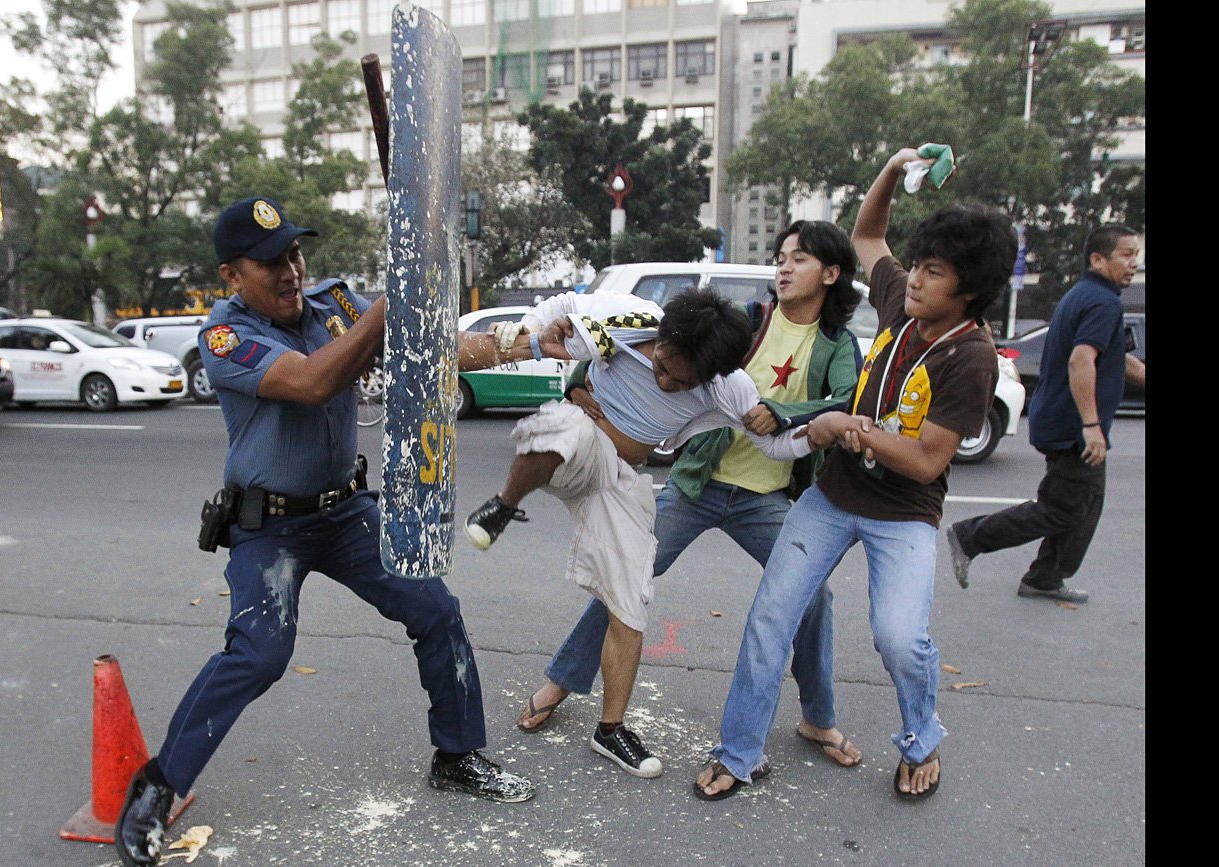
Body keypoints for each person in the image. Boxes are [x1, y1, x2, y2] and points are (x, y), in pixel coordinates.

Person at [115, 196, 542, 867]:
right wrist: (385, 310)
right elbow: (313, 381)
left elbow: (439, 350)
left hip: (345, 513)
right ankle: (157, 786)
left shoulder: (334, 304)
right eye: (270, 262)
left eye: (294, 253)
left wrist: (533, 341)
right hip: (269, 526)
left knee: (435, 608)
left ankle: (457, 755)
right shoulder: (224, 338)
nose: (291, 270)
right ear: (231, 276)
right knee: (259, 652)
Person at [692, 145, 1015, 802]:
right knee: (771, 616)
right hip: (833, 496)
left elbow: (927, 459)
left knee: (899, 638)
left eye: (934, 272)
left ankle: (921, 739)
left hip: (904, 513)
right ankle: (739, 750)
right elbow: (868, 234)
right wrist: (893, 171)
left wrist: (850, 427)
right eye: (917, 265)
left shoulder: (973, 357)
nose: (914, 280)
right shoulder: (902, 303)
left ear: (970, 290)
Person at [514, 221, 867, 773]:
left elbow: (845, 402)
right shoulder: (747, 321)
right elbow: (631, 343)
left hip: (765, 495)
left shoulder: (837, 345)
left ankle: (817, 717)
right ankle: (562, 681)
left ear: (831, 273)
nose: (784, 267)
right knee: (625, 577)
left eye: (798, 259)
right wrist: (580, 378)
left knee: (813, 595)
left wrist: (782, 413)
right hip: (699, 480)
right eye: (780, 257)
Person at [464, 287, 830, 779]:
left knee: (630, 600)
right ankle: (504, 505)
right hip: (579, 447)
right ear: (661, 338)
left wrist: (812, 431)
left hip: (620, 480)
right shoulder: (627, 317)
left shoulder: (730, 388)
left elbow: (774, 445)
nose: (665, 381)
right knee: (563, 427)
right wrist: (531, 323)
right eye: (661, 366)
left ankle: (610, 729)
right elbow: (565, 304)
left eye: (681, 382)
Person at [945, 225, 1145, 604]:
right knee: (1063, 509)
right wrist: (1091, 425)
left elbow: (1119, 360)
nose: (1134, 262)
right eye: (1126, 254)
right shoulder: (1103, 303)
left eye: (1136, 254)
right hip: (1074, 427)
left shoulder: (1086, 295)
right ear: (1098, 259)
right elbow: (1080, 360)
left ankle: (1044, 577)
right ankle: (971, 537)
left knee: (1083, 505)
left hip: (1064, 421)